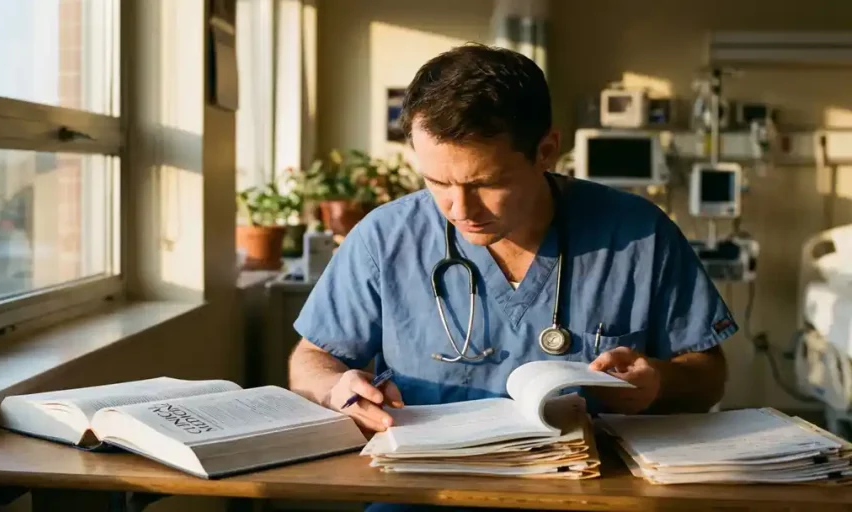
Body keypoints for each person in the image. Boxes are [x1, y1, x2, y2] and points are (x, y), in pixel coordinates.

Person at [288, 44, 734, 510]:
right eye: (437, 183)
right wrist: (335, 388)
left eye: (485, 184)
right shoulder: (385, 238)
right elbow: (312, 358)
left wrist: (658, 382)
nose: (460, 210)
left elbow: (708, 375)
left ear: (546, 151)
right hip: (422, 496)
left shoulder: (639, 235)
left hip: (587, 498)